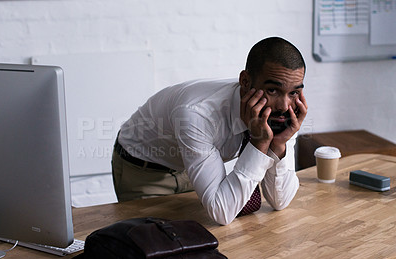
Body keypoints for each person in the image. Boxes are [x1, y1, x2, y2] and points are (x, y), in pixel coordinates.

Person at [112, 37, 308, 225]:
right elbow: (221, 213)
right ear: (246, 81)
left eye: (294, 92)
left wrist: (278, 144)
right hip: (143, 170)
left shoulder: (283, 114)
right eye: (273, 90)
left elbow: (279, 201)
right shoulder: (196, 114)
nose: (284, 105)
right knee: (148, 247)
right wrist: (259, 143)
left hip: (188, 166)